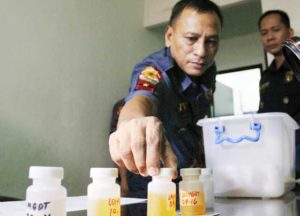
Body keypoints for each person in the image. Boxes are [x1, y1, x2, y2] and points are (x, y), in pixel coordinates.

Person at [109, 0, 223, 199]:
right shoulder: (154, 71)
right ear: (170, 36)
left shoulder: (209, 71)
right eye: (191, 38)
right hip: (151, 183)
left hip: (189, 178)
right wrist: (131, 121)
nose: (202, 52)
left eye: (211, 41)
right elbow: (141, 99)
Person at [257, 10, 300, 178]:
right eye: (264, 32)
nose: (270, 37)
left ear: (289, 33)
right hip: (277, 161)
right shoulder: (266, 77)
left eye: (276, 30)